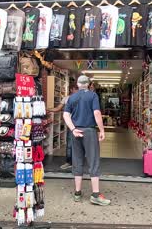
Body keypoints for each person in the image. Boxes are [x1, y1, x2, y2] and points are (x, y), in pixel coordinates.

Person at [63, 75, 111, 206]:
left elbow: (66, 114)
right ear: (88, 84)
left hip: (76, 132)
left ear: (78, 85)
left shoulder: (71, 98)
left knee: (77, 161)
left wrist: (72, 129)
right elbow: (96, 113)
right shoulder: (93, 96)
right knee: (93, 160)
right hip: (89, 131)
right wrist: (102, 130)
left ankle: (77, 193)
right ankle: (95, 195)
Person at [47, 84, 78, 170]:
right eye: (75, 89)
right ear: (71, 89)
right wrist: (48, 109)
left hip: (80, 123)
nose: (77, 91)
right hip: (70, 124)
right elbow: (58, 108)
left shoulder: (81, 98)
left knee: (79, 144)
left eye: (77, 89)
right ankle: (69, 162)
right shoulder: (66, 98)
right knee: (70, 144)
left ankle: (77, 162)